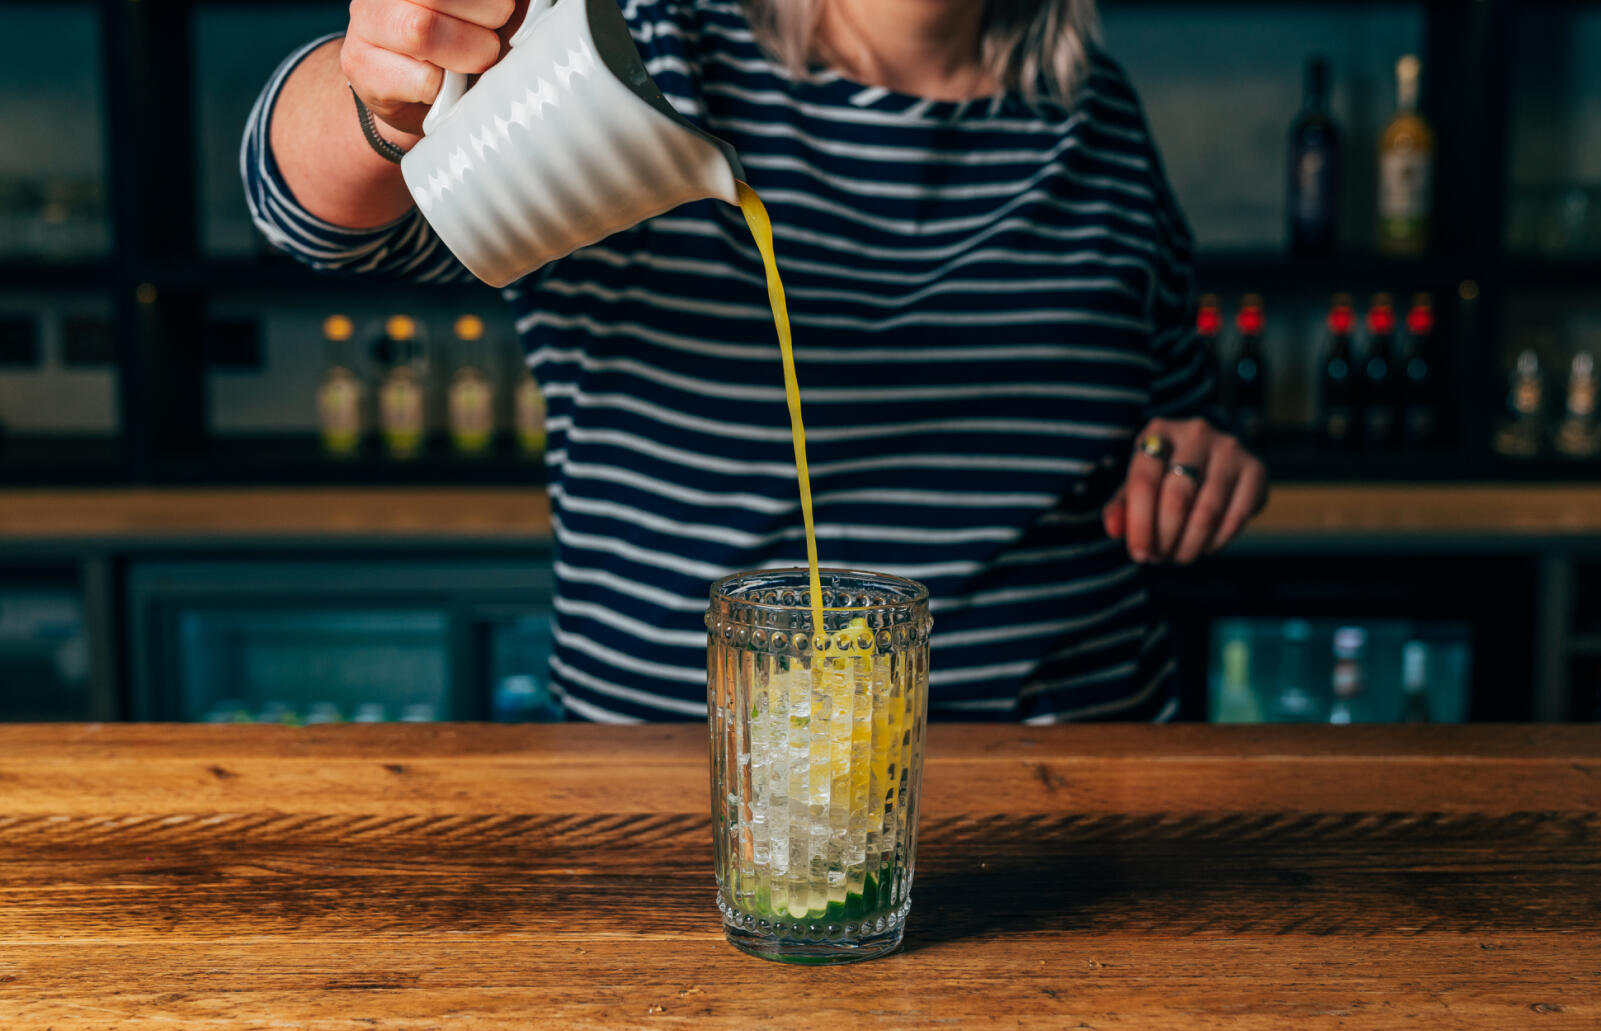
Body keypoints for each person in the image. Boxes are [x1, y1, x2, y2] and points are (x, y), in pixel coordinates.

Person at [245, 0, 1268, 722]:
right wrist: (385, 99)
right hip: (683, 806)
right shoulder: (644, 47)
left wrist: (1191, 457)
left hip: (1065, 786)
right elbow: (319, 219)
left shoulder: (1097, 113)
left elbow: (1171, 402)